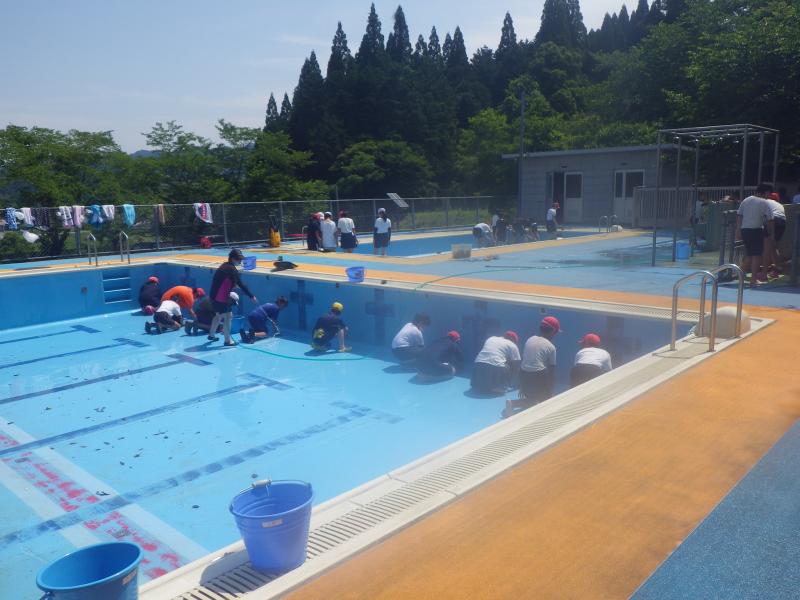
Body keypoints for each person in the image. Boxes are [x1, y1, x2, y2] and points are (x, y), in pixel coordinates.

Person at [505, 316, 560, 416]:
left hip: (524, 375)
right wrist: (550, 392)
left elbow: (525, 362)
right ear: (553, 332)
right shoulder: (551, 347)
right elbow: (551, 372)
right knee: (545, 402)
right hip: (538, 375)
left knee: (532, 400)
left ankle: (513, 403)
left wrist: (522, 386)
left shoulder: (529, 339)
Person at [207, 249, 257, 346]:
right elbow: (241, 284)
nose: (240, 261)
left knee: (218, 315)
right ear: (233, 258)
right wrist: (251, 296)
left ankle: (211, 335)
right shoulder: (232, 270)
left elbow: (226, 281)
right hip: (220, 297)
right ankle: (228, 341)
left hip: (213, 295)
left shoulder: (224, 266)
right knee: (228, 316)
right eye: (238, 259)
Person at [736, 183, 774, 288]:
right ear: (765, 192)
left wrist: (738, 231)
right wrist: (771, 234)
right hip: (756, 230)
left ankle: (739, 275)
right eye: (768, 194)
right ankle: (753, 280)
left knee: (749, 255)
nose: (768, 196)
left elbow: (739, 215)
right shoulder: (764, 202)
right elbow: (770, 220)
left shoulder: (746, 200)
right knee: (757, 256)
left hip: (745, 230)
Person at [471, 331, 521, 395]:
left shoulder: (491, 338)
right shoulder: (512, 345)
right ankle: (499, 387)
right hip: (495, 367)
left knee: (494, 363)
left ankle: (479, 384)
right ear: (513, 340)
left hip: (478, 364)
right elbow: (517, 365)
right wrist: (518, 383)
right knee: (509, 366)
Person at [764, 192, 786, 278]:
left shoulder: (766, 201)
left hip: (773, 220)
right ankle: (777, 268)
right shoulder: (780, 205)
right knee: (773, 246)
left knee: (766, 246)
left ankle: (764, 273)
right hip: (782, 221)